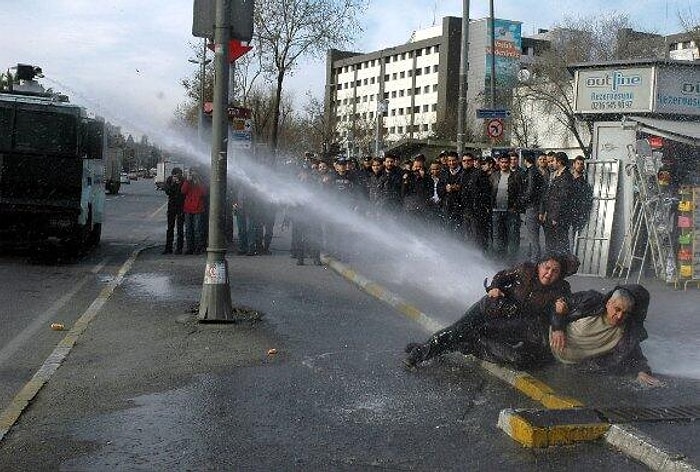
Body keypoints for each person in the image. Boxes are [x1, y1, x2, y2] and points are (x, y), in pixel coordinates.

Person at [403, 253, 579, 369]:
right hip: (490, 306)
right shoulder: (526, 269)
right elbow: (502, 276)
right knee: (457, 329)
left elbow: (559, 310)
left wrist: (558, 327)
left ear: (560, 275)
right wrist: (494, 288)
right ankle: (420, 353)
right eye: (546, 268)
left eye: (555, 271)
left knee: (472, 338)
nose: (548, 273)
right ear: (539, 266)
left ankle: (428, 347)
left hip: (508, 323)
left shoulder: (561, 289)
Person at [549, 284, 661, 386]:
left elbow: (635, 354)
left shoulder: (627, 332)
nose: (619, 316)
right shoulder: (590, 301)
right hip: (546, 346)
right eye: (617, 309)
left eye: (626, 313)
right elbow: (559, 303)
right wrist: (558, 327)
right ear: (608, 303)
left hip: (575, 366)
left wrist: (642, 372)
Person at [181, 168, 208, 255]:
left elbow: (204, 193)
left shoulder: (201, 182)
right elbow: (183, 191)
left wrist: (198, 182)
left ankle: (198, 247)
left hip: (198, 209)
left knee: (197, 229)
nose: (193, 175)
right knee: (189, 229)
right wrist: (187, 181)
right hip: (188, 208)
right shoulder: (188, 182)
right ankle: (190, 247)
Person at [162, 167, 185, 255]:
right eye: (175, 176)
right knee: (170, 227)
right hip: (172, 205)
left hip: (181, 206)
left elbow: (183, 192)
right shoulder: (169, 180)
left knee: (180, 228)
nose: (177, 177)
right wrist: (173, 184)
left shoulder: (183, 181)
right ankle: (168, 247)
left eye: (178, 175)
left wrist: (179, 184)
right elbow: (167, 191)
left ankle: (179, 248)